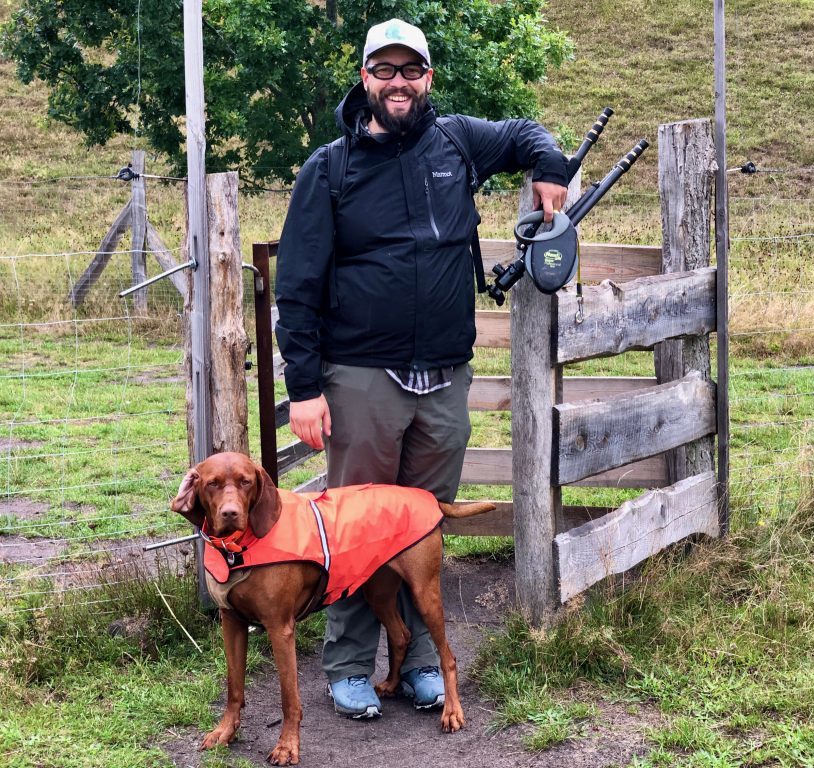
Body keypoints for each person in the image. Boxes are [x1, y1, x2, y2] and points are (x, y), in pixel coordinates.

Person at [274, 18, 568, 719]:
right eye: (385, 70)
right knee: (351, 530)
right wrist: (305, 389)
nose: (398, 82)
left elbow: (526, 132)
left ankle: (416, 666)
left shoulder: (457, 141)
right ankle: (347, 666)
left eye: (411, 71)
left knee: (419, 528)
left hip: (444, 376)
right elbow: (298, 285)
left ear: (428, 79)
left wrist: (550, 169)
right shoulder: (330, 169)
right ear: (365, 79)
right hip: (361, 378)